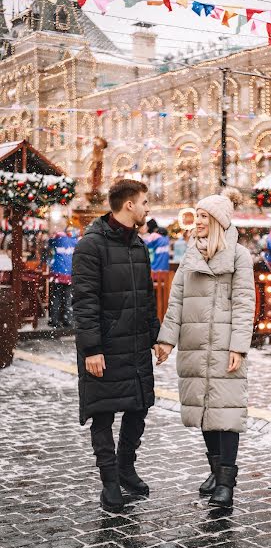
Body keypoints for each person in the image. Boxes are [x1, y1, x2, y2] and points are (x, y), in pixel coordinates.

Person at [157, 191, 255, 508]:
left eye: (203, 216)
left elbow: (244, 305)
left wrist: (239, 347)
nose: (197, 221)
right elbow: (176, 304)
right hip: (195, 344)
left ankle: (226, 483)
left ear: (217, 221)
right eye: (196, 215)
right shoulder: (190, 256)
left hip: (225, 346)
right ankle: (215, 470)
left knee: (226, 412)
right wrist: (166, 340)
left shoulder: (239, 256)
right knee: (203, 410)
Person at [72, 180, 165, 513]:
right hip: (106, 347)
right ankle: (110, 481)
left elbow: (146, 297)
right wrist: (92, 349)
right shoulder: (90, 246)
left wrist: (157, 338)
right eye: (144, 202)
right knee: (103, 412)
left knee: (139, 406)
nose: (147, 208)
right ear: (128, 205)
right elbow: (84, 301)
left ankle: (126, 468)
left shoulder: (138, 245)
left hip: (136, 345)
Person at [48, 226, 79, 328]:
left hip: (58, 273)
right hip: (69, 274)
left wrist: (57, 236)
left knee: (56, 297)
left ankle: (55, 320)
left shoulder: (58, 240)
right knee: (68, 298)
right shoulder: (75, 242)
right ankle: (67, 320)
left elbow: (49, 243)